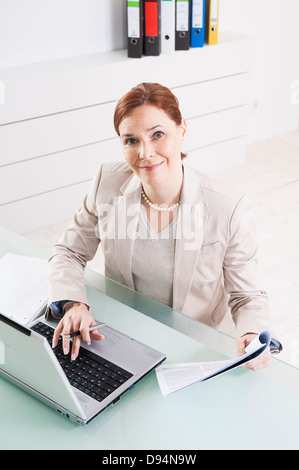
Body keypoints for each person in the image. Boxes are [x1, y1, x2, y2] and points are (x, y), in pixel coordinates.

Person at [48, 82, 277, 370]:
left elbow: (247, 295)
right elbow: (69, 251)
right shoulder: (107, 181)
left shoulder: (228, 208)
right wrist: (74, 304)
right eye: (131, 140)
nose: (145, 153)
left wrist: (252, 333)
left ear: (182, 130)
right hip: (125, 332)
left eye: (157, 135)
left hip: (195, 340)